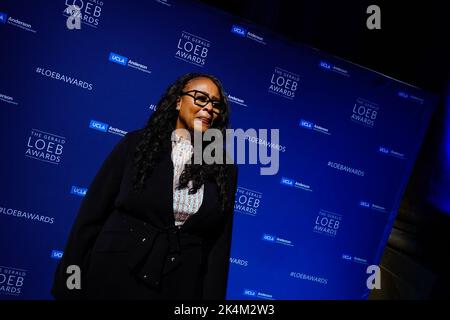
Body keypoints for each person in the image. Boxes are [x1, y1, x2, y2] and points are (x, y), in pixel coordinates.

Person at [51, 72, 238, 300]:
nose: (209, 108)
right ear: (178, 101)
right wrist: (70, 284)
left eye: (216, 104)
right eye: (200, 98)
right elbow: (90, 217)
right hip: (112, 275)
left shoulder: (224, 168)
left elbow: (218, 248)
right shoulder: (136, 145)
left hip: (178, 287)